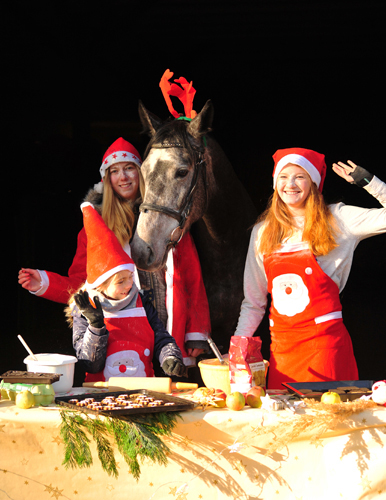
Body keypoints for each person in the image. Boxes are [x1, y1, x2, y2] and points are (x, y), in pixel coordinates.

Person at [18, 137, 211, 370]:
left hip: (170, 330)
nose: (124, 177)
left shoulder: (168, 218)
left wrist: (196, 331)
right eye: (115, 171)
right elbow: (82, 286)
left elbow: (193, 277)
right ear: (106, 179)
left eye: (130, 168)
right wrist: (45, 283)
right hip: (123, 338)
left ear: (142, 173)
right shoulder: (95, 226)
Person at [234, 147, 386, 389]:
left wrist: (370, 183)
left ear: (313, 183)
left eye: (299, 176)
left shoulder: (338, 219)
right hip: (282, 352)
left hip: (326, 349)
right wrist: (239, 346)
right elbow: (254, 301)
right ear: (275, 183)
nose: (290, 184)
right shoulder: (262, 231)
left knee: (330, 423)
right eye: (283, 177)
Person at [66, 201, 185, 382]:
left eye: (130, 276)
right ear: (100, 286)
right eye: (121, 281)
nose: (130, 284)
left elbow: (161, 338)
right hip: (101, 396)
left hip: (143, 391)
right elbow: (90, 364)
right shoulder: (84, 311)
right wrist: (96, 326)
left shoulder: (141, 303)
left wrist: (170, 357)